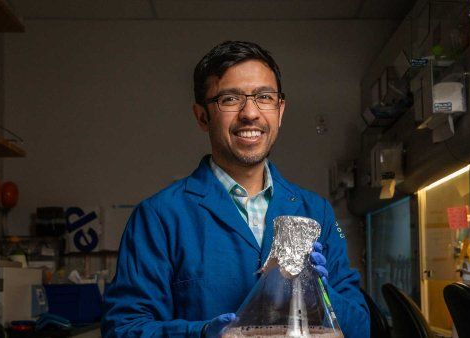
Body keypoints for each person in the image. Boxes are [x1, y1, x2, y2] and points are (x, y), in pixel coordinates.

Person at [101, 41, 370, 338]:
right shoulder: (158, 217)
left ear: (280, 110)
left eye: (264, 97)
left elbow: (361, 327)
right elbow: (122, 329)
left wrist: (320, 291)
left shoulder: (315, 212)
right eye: (230, 99)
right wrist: (201, 334)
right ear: (202, 116)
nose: (250, 113)